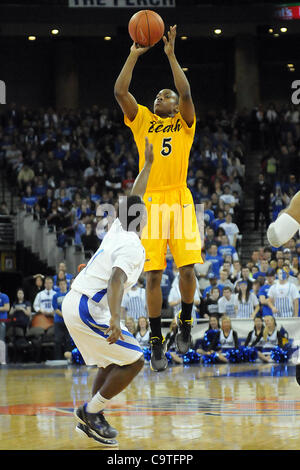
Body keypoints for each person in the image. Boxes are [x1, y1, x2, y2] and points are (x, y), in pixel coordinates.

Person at [114, 25, 202, 370]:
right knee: (151, 276)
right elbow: (120, 91)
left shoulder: (185, 122)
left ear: (175, 104)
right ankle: (155, 338)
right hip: (148, 200)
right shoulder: (143, 120)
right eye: (157, 97)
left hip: (179, 197)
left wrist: (170, 54)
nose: (158, 99)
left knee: (187, 268)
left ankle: (187, 320)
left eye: (164, 96)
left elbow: (187, 89)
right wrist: (133, 55)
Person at [61, 138, 153, 446]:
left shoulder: (118, 229)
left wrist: (149, 166)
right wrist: (116, 318)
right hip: (89, 307)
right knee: (136, 360)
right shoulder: (133, 246)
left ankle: (90, 420)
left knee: (111, 362)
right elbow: (115, 280)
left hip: (78, 302)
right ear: (143, 222)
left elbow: (134, 196)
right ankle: (91, 411)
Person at [52, 279, 72, 360]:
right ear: (59, 285)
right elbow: (56, 309)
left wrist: (67, 316)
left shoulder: (70, 294)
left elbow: (71, 306)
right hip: (58, 321)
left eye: (64, 284)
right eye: (61, 284)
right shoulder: (55, 296)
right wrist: (64, 315)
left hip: (68, 321)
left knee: (68, 340)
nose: (62, 285)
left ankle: (69, 358)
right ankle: (58, 358)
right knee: (58, 340)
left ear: (66, 285)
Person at [0, 288, 10, 365]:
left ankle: (2, 360)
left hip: (2, 321)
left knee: (1, 341)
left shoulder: (4, 296)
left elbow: (7, 308)